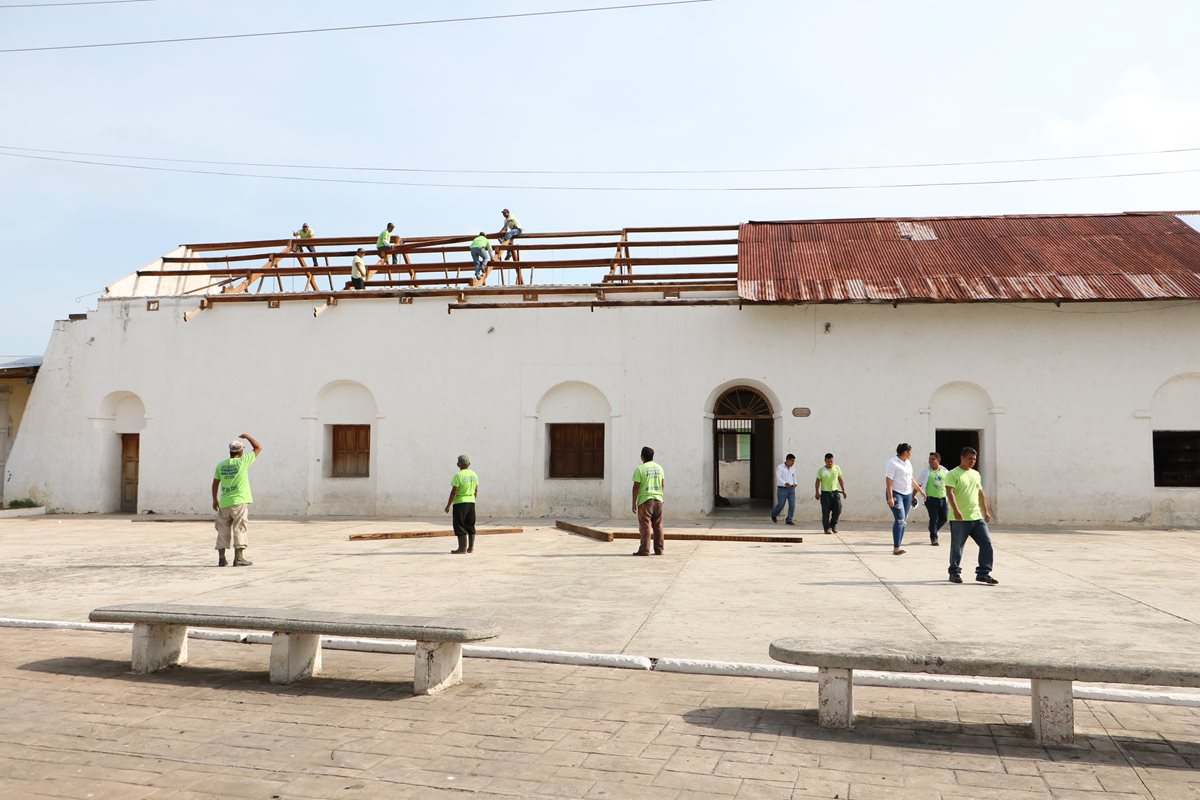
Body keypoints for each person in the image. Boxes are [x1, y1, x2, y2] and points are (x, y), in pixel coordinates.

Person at [944, 446, 997, 584]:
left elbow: (980, 493)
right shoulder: (952, 474)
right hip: (960, 519)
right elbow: (950, 492)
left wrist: (985, 511)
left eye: (974, 459)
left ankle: (983, 573)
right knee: (957, 547)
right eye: (969, 459)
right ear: (962, 458)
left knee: (986, 543)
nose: (972, 461)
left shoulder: (976, 474)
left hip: (977, 517)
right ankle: (954, 573)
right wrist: (956, 510)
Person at [211, 433, 262, 567]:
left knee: (222, 530)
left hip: (225, 503)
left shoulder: (221, 465)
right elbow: (258, 447)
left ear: (230, 451)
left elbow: (215, 483)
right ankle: (238, 558)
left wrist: (215, 500)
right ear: (241, 451)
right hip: (239, 502)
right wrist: (248, 436)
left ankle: (222, 559)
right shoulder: (242, 462)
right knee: (239, 528)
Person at [884, 442, 924, 555]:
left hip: (907, 494)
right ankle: (896, 547)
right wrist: (890, 497)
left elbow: (911, 479)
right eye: (910, 451)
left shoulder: (908, 463)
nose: (911, 454)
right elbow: (889, 480)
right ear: (906, 452)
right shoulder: (892, 462)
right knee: (900, 519)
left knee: (903, 520)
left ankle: (899, 545)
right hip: (896, 494)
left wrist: (920, 491)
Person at [631, 446, 665, 556]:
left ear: (642, 457)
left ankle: (644, 550)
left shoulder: (640, 469)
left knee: (645, 526)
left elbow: (636, 486)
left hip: (645, 501)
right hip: (658, 500)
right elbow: (662, 484)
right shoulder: (660, 468)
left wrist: (634, 502)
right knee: (658, 525)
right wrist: (660, 497)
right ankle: (659, 549)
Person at [444, 455, 479, 554]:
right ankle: (470, 548)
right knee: (470, 524)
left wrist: (448, 505)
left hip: (460, 503)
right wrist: (473, 500)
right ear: (469, 464)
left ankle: (462, 548)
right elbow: (476, 490)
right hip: (471, 502)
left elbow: (454, 492)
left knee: (459, 524)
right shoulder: (474, 475)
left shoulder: (458, 475)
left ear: (458, 464)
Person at [917, 451, 949, 546]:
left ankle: (932, 529)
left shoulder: (945, 471)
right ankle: (934, 537)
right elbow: (918, 484)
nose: (930, 461)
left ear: (938, 460)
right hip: (930, 500)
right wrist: (913, 496)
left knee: (944, 518)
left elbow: (949, 484)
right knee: (934, 518)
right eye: (929, 459)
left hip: (943, 499)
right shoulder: (926, 471)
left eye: (933, 459)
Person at [815, 453, 846, 535]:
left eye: (831, 461)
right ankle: (827, 528)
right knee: (825, 512)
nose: (829, 463)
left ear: (833, 460)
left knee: (838, 509)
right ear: (825, 461)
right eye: (828, 461)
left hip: (835, 493)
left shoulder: (837, 468)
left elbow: (840, 479)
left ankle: (833, 525)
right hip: (825, 494)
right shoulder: (821, 470)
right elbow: (817, 482)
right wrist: (817, 492)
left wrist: (843, 490)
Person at [770, 453, 797, 525]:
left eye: (794, 461)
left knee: (792, 505)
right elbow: (778, 477)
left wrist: (795, 483)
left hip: (791, 489)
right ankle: (773, 514)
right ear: (787, 460)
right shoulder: (780, 467)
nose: (793, 463)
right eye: (792, 461)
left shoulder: (793, 468)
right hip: (782, 489)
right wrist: (785, 483)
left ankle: (789, 519)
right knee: (781, 504)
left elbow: (794, 477)